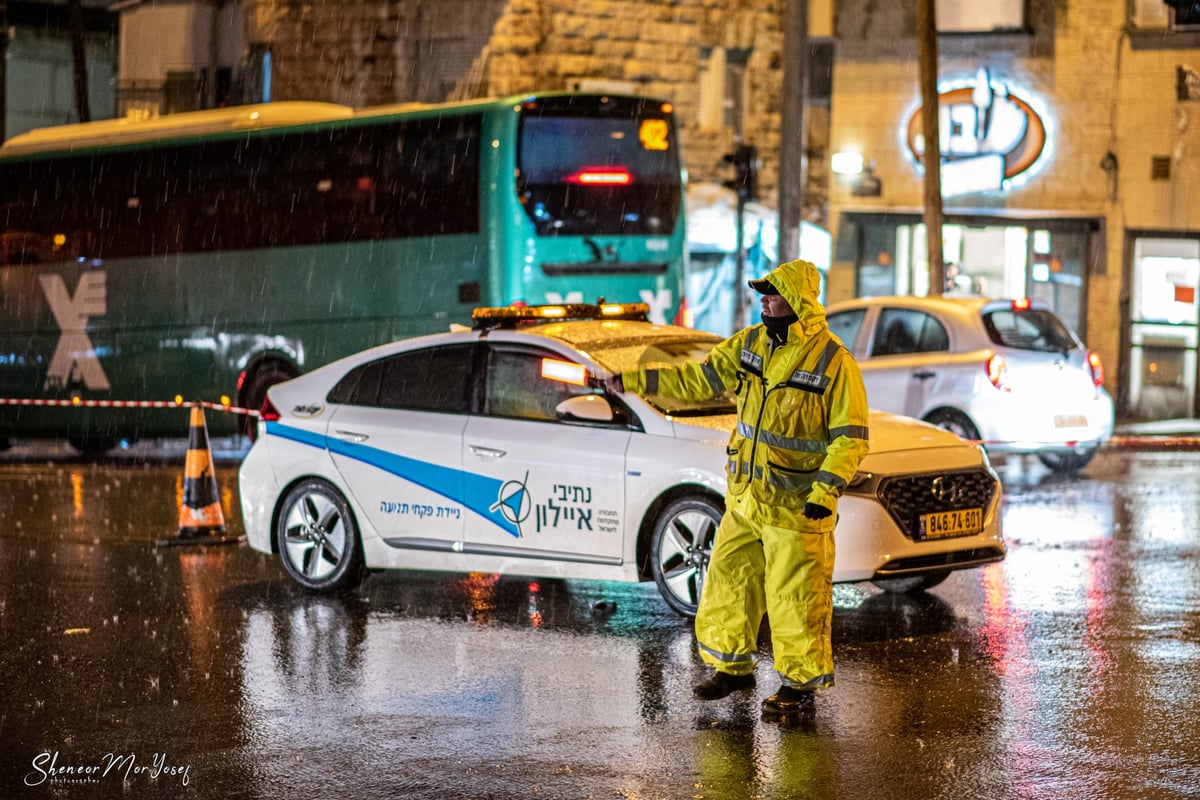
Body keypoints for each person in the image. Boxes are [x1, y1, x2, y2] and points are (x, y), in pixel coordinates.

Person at [603, 258, 870, 719]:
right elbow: (695, 380)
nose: (764, 298)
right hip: (746, 500)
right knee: (728, 583)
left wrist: (823, 496)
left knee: (795, 598)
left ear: (800, 301)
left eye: (773, 291)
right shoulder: (750, 345)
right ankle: (732, 668)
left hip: (795, 507)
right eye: (762, 292)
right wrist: (627, 381)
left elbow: (850, 438)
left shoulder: (833, 361)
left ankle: (798, 687)